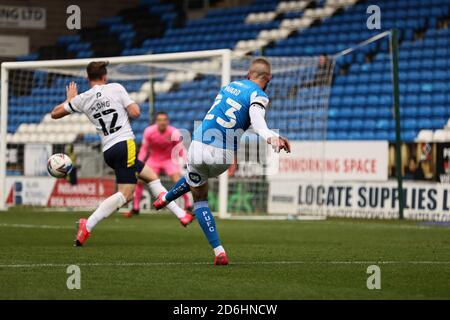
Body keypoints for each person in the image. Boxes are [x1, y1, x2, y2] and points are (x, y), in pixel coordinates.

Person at [152, 58, 291, 265]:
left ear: (247, 75)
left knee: (198, 190)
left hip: (199, 144)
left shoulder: (229, 86)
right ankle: (166, 200)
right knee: (199, 185)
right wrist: (271, 136)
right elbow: (258, 121)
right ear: (269, 78)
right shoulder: (259, 95)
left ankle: (218, 250)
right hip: (223, 154)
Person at [50, 61, 194, 246]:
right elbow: (135, 112)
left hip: (109, 151)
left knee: (151, 176)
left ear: (88, 79)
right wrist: (126, 105)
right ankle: (88, 224)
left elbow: (54, 114)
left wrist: (70, 100)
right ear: (105, 77)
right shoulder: (116, 88)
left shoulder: (82, 98)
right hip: (125, 144)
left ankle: (182, 215)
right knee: (126, 195)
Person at [124, 112, 192, 218]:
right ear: (156, 121)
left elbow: (180, 149)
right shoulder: (149, 131)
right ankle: (136, 208)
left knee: (178, 181)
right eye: (160, 120)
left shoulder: (174, 132)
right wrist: (138, 164)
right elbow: (144, 149)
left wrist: (187, 161)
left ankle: (188, 206)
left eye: (164, 120)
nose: (162, 122)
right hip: (154, 159)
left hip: (168, 160)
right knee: (140, 179)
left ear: (167, 121)